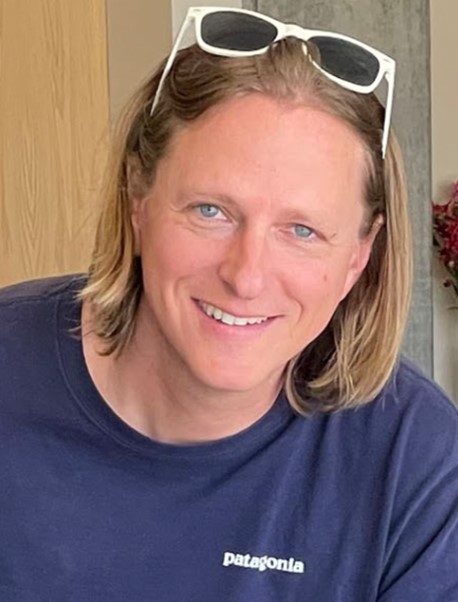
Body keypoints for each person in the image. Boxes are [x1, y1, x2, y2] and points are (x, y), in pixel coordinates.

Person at [0, 7, 456, 601]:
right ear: (138, 199)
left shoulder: (415, 461)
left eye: (302, 230)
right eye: (210, 211)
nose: (246, 276)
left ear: (359, 255)